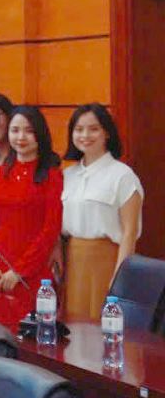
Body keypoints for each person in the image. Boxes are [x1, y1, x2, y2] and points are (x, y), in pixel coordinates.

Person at [0, 106, 64, 328]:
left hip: (33, 271)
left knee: (29, 334)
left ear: (40, 134)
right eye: (15, 130)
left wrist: (19, 271)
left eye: (29, 131)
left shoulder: (52, 176)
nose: (21, 137)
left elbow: (50, 230)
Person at [62, 103, 144, 320]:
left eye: (93, 129)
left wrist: (120, 277)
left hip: (107, 260)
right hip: (73, 261)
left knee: (103, 324)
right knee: (73, 326)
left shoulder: (123, 176)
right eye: (79, 129)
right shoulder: (67, 176)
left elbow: (129, 233)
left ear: (106, 132)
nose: (85, 135)